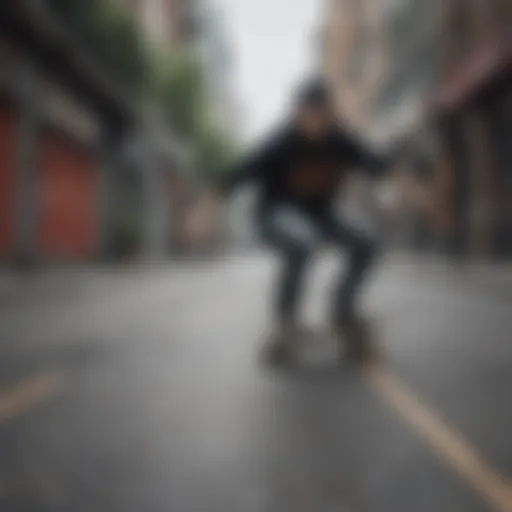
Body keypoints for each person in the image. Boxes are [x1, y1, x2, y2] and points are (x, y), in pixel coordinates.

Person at [187, 77, 391, 365]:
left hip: (322, 217)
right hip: (273, 216)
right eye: (306, 115)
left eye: (319, 116)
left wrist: (417, 192)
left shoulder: (341, 140)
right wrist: (201, 213)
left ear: (329, 114)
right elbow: (234, 176)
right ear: (296, 113)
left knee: (367, 242)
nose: (312, 123)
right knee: (302, 242)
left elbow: (380, 167)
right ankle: (285, 325)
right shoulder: (280, 142)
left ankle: (343, 313)